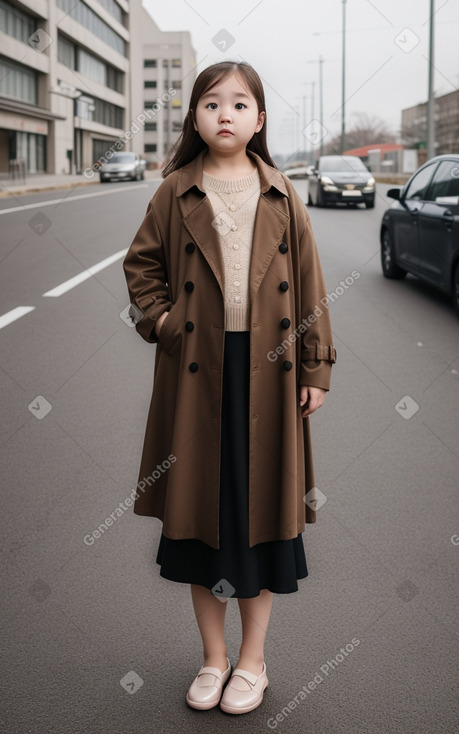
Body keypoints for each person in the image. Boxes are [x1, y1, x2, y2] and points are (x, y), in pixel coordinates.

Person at [122, 60, 336, 715]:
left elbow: (310, 285)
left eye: (239, 104)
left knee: (262, 523)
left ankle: (252, 662)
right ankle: (213, 659)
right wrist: (163, 321)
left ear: (259, 120)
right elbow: (141, 267)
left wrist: (314, 366)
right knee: (199, 524)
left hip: (269, 375)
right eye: (211, 103)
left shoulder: (281, 193)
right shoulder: (174, 191)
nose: (224, 114)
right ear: (194, 116)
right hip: (197, 372)